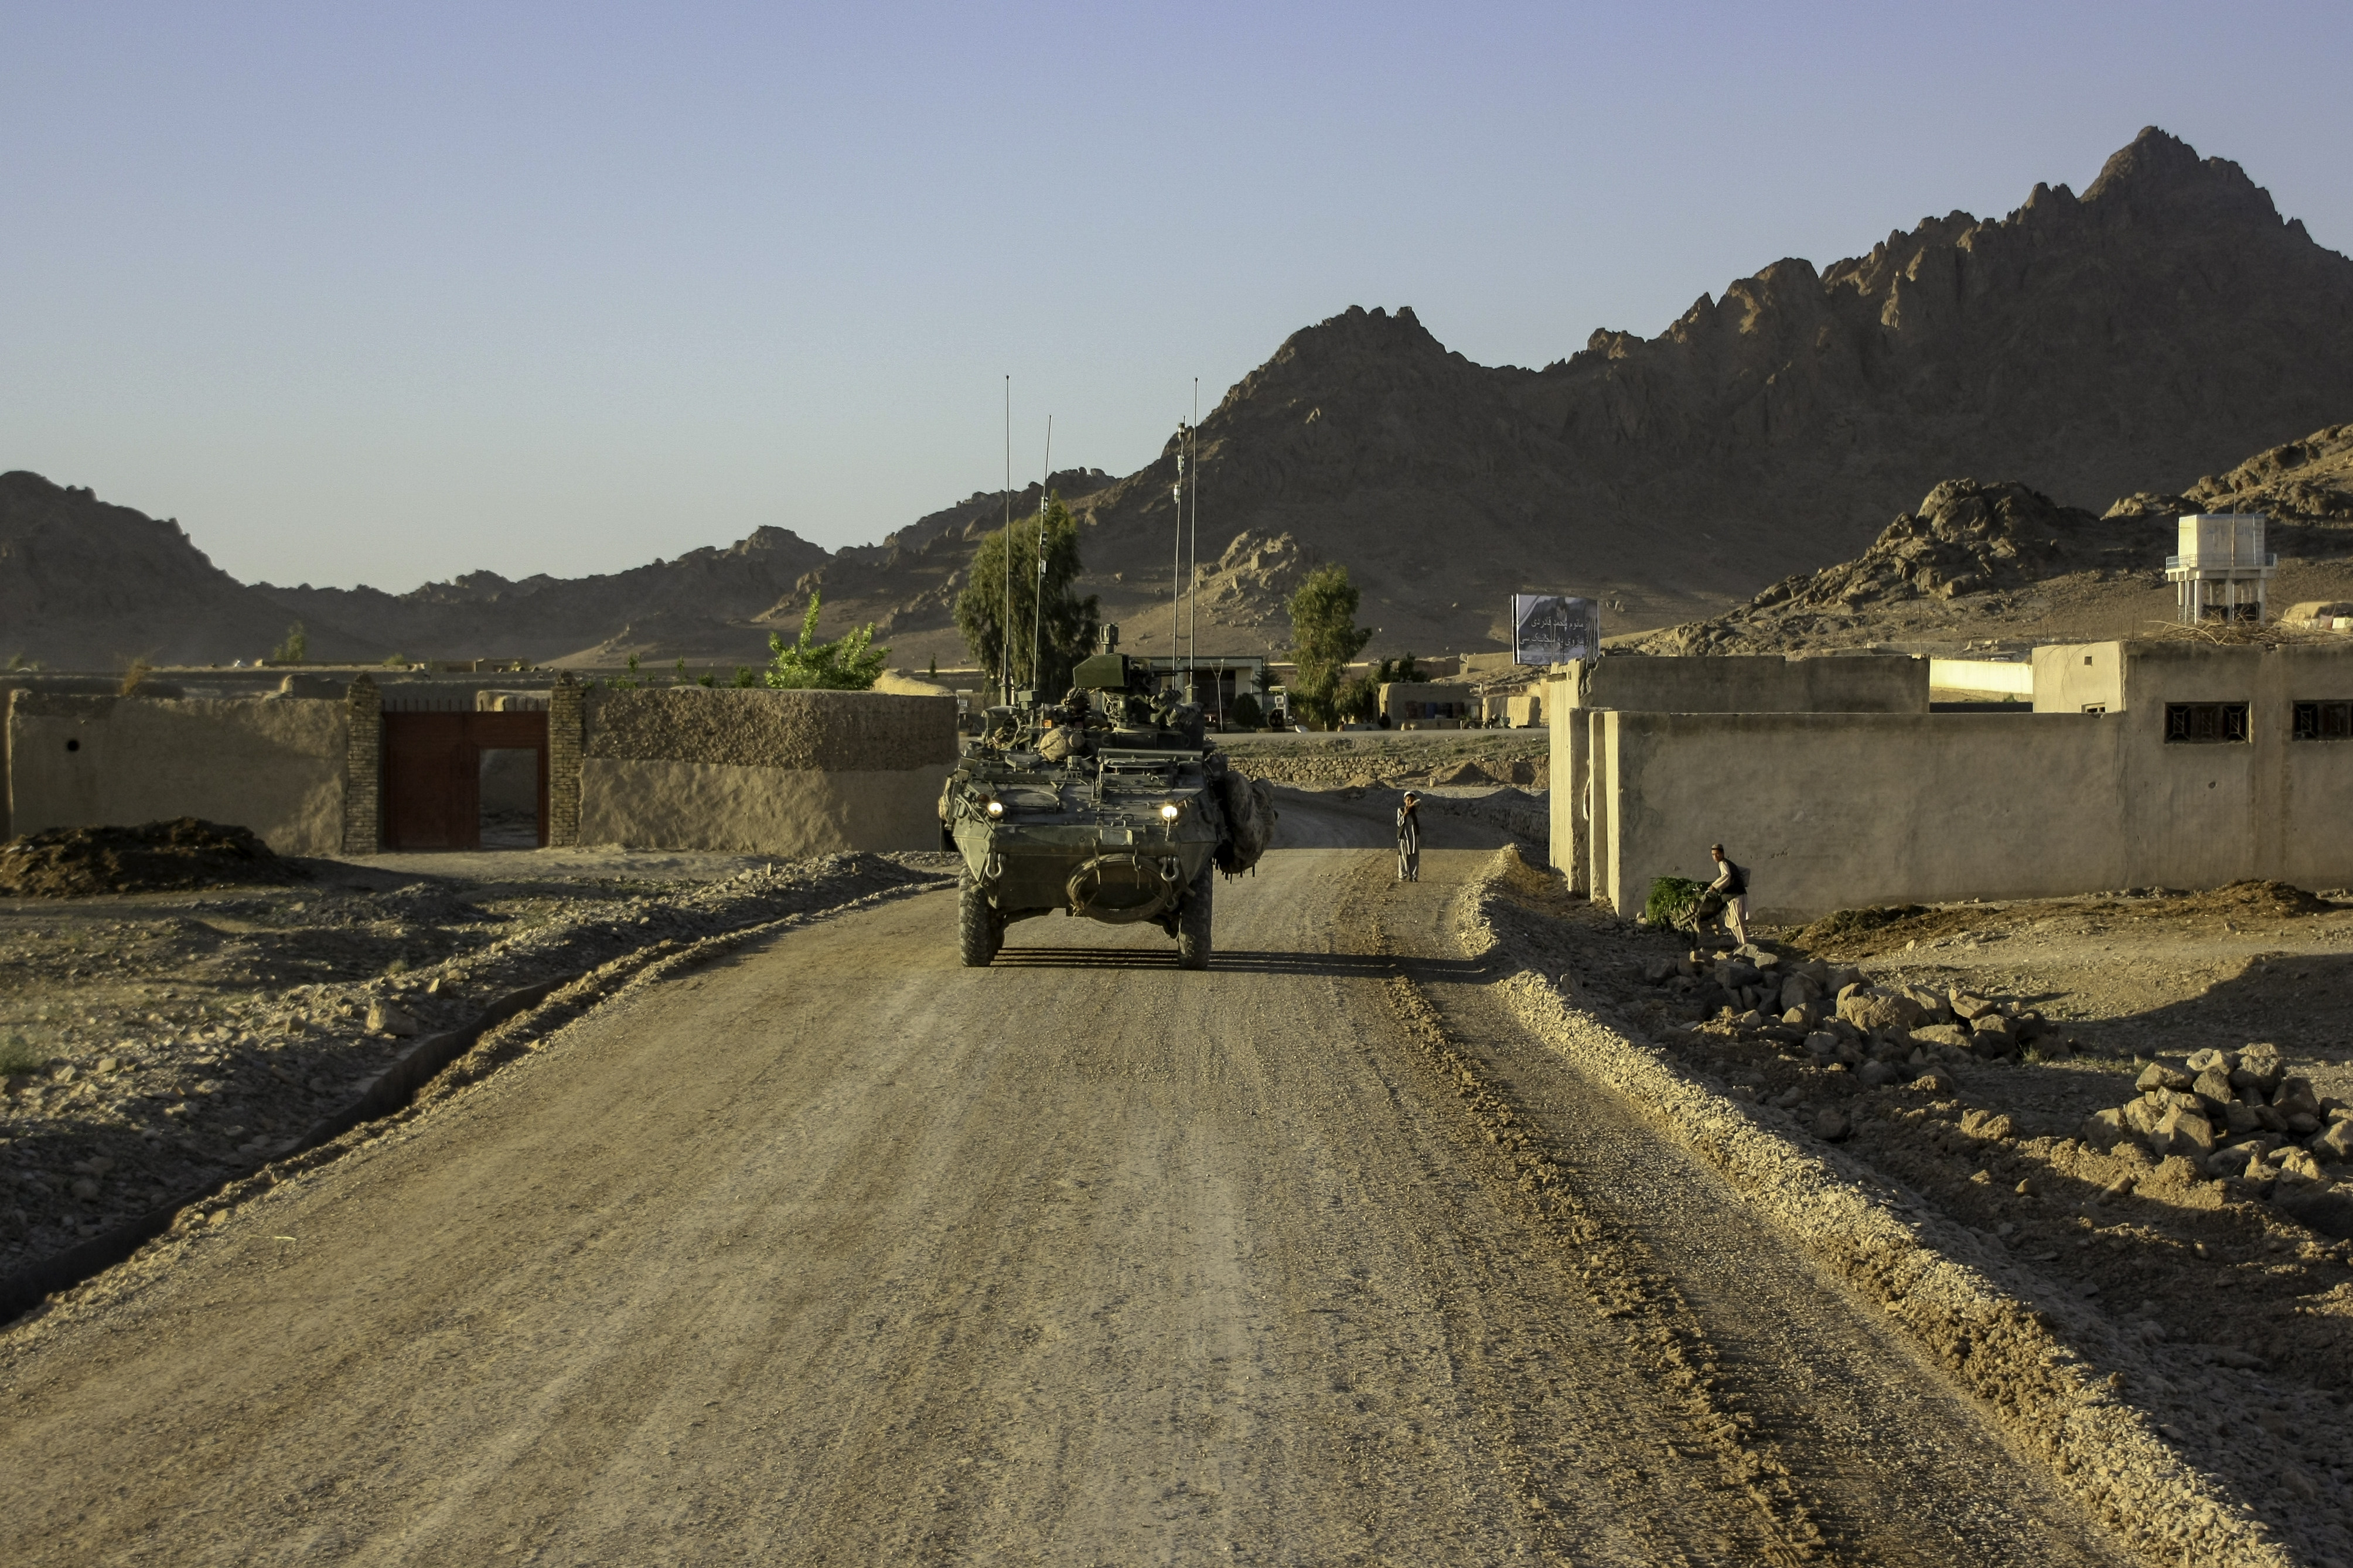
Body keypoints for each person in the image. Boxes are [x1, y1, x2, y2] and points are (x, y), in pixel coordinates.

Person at [1706, 842, 1750, 946]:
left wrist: (1714, 886)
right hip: (1739, 894)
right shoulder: (1731, 864)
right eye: (1713, 855)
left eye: (1717, 854)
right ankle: (1738, 943)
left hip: (1734, 896)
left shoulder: (1722, 863)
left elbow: (1726, 876)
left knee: (1736, 921)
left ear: (1723, 854)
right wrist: (1742, 883)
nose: (1715, 857)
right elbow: (1746, 871)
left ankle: (1743, 945)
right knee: (1732, 920)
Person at [1396, 790, 1423, 883]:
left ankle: (1414, 877)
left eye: (1412, 800)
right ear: (1404, 800)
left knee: (1414, 856)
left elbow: (1419, 802)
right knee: (1403, 857)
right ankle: (1402, 876)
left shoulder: (1415, 810)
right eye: (1408, 800)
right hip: (1404, 837)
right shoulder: (1400, 810)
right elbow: (1399, 823)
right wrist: (1405, 813)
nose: (1410, 802)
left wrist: (1412, 806)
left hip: (1414, 837)